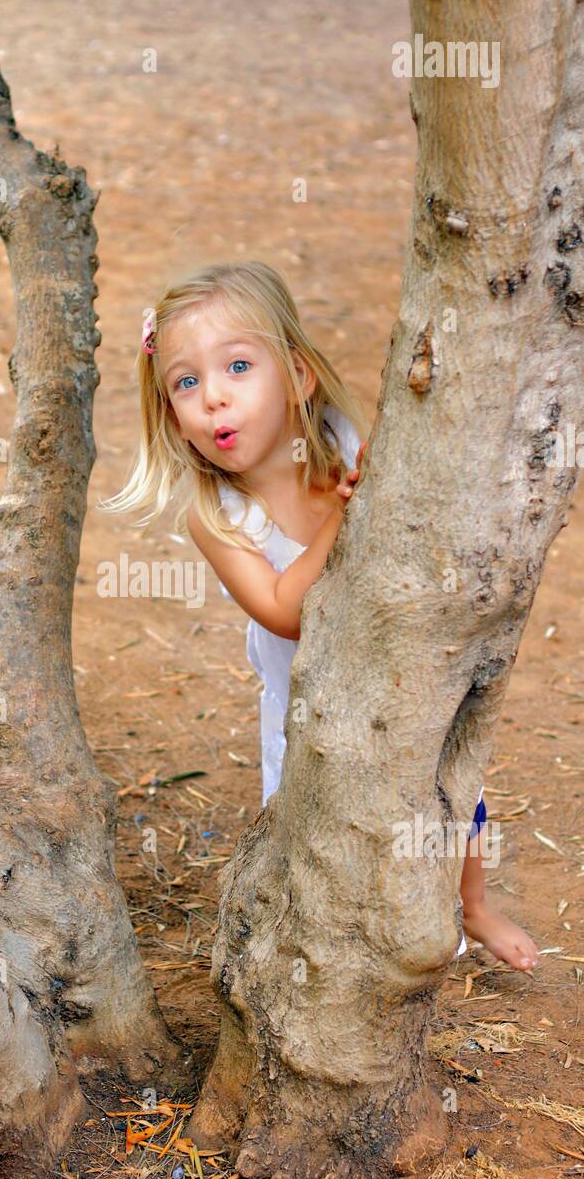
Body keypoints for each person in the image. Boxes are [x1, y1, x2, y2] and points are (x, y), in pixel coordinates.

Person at [99, 260, 538, 971]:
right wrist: (344, 517)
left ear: (298, 377)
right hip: (305, 704)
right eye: (186, 383)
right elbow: (284, 613)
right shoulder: (219, 517)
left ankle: (476, 907)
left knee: (453, 794)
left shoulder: (339, 439)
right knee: (310, 823)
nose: (213, 397)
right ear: (172, 419)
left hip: (396, 671)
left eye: (237, 366)